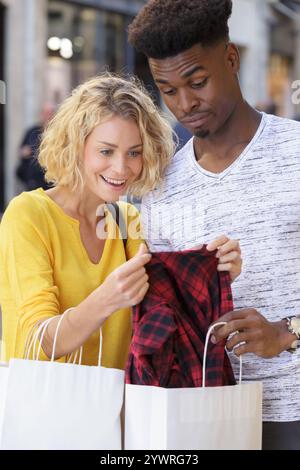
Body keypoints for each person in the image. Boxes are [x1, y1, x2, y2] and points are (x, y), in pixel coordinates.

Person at [128, 0, 300, 449]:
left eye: (197, 82)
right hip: (206, 417)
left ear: (231, 58)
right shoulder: (161, 187)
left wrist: (288, 332)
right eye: (167, 90)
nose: (185, 104)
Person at [0, 73, 175, 368]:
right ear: (75, 146)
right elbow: (41, 340)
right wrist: (106, 299)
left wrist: (213, 270)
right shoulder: (29, 214)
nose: (121, 168)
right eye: (105, 151)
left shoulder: (127, 220)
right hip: (47, 409)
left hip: (116, 411)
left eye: (134, 153)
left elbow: (165, 311)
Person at [16, 103, 55, 190]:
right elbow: (21, 150)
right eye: (45, 113)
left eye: (50, 113)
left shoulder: (57, 133)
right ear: (41, 114)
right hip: (32, 182)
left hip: (50, 182)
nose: (47, 116)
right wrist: (24, 152)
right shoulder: (32, 131)